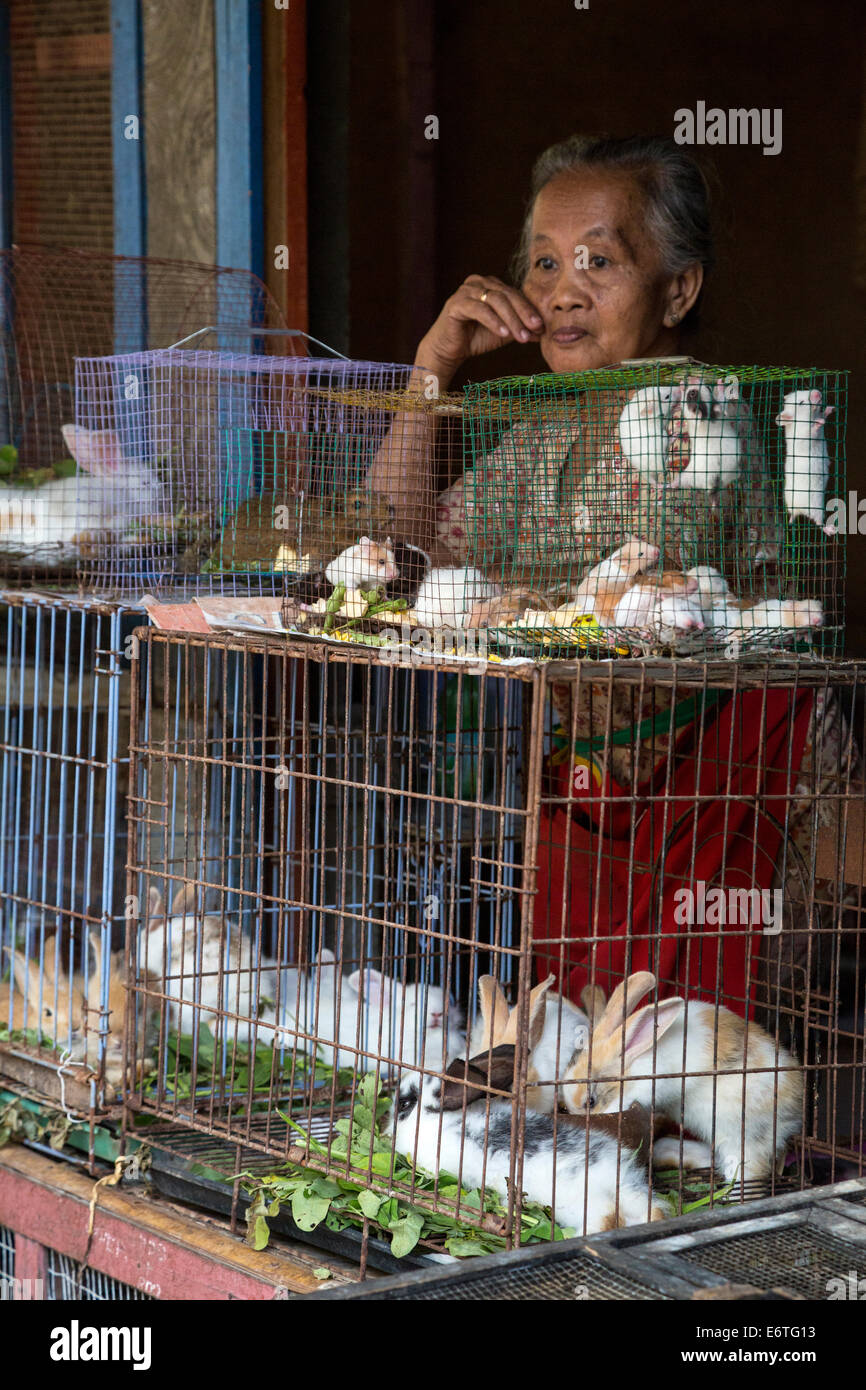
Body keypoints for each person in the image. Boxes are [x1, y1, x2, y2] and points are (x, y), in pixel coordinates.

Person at [369, 134, 854, 1025]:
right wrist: (432, 369)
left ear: (679, 289)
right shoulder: (544, 433)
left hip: (717, 785)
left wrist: (494, 601)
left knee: (690, 1064)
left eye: (600, 261)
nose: (562, 289)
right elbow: (393, 557)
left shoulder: (698, 419)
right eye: (545, 262)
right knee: (587, 1058)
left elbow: (643, 610)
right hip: (600, 789)